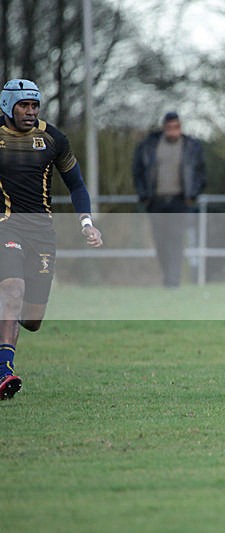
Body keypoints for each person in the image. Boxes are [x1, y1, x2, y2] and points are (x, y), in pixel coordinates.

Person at [0, 79, 103, 400]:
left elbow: (77, 185)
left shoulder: (53, 138)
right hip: (7, 227)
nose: (30, 112)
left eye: (34, 106)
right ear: (7, 106)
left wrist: (87, 223)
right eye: (23, 106)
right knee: (12, 289)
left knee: (31, 320)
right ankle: (4, 370)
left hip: (42, 234)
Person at [132, 112, 206, 288]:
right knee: (160, 242)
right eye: (170, 127)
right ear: (164, 128)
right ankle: (167, 276)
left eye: (177, 127)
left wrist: (193, 194)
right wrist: (143, 194)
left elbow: (200, 173)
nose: (173, 131)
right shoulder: (150, 146)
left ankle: (173, 282)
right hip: (155, 201)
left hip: (180, 201)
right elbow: (138, 171)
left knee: (176, 240)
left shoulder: (190, 146)